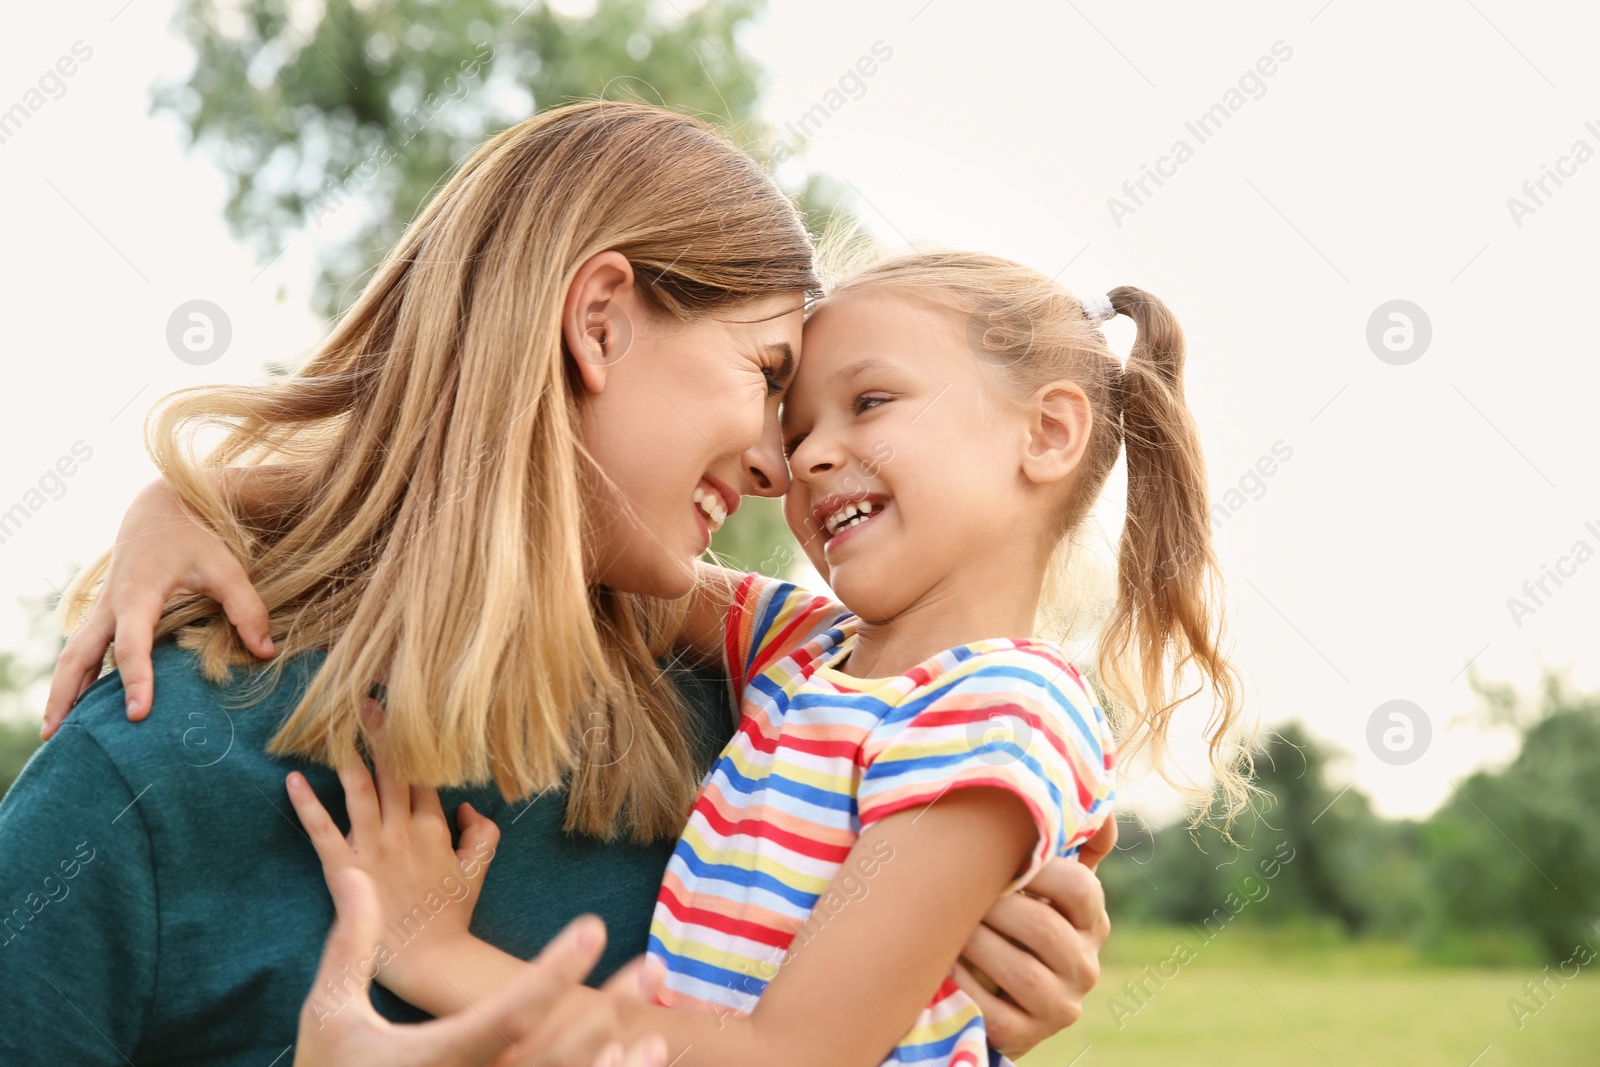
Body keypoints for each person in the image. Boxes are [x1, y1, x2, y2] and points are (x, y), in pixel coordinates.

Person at [7, 103, 1107, 1065]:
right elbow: (424, 481)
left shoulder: (742, 722)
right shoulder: (141, 771)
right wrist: (186, 498)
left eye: (854, 405)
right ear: (598, 321)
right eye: (770, 377)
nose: (782, 467)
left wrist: (957, 1005)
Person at [275, 252, 1250, 1065]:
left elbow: (791, 1054)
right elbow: (583, 541)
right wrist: (204, 505)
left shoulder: (999, 714)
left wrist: (439, 954)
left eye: (869, 401)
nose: (803, 459)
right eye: (796, 430)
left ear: (1045, 432)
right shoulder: (801, 647)